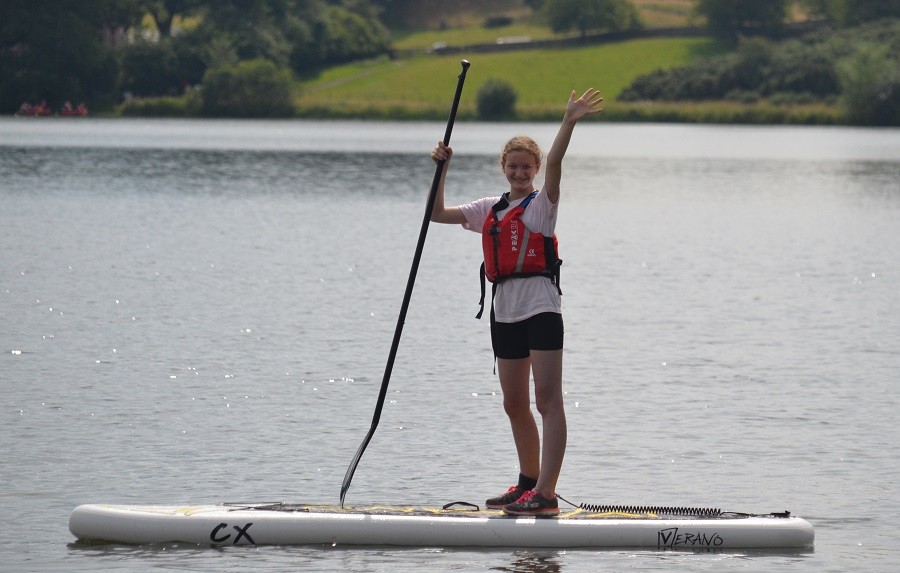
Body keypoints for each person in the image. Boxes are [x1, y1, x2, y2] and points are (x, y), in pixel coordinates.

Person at [429, 88, 603, 516]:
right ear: (504, 169)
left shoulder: (543, 205)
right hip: (504, 311)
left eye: (527, 166)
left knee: (547, 400)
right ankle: (527, 482)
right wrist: (440, 169)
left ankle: (545, 494)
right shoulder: (488, 207)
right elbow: (435, 213)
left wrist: (569, 121)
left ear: (536, 170)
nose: (520, 172)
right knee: (513, 402)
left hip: (541, 308)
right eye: (513, 166)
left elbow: (559, 163)